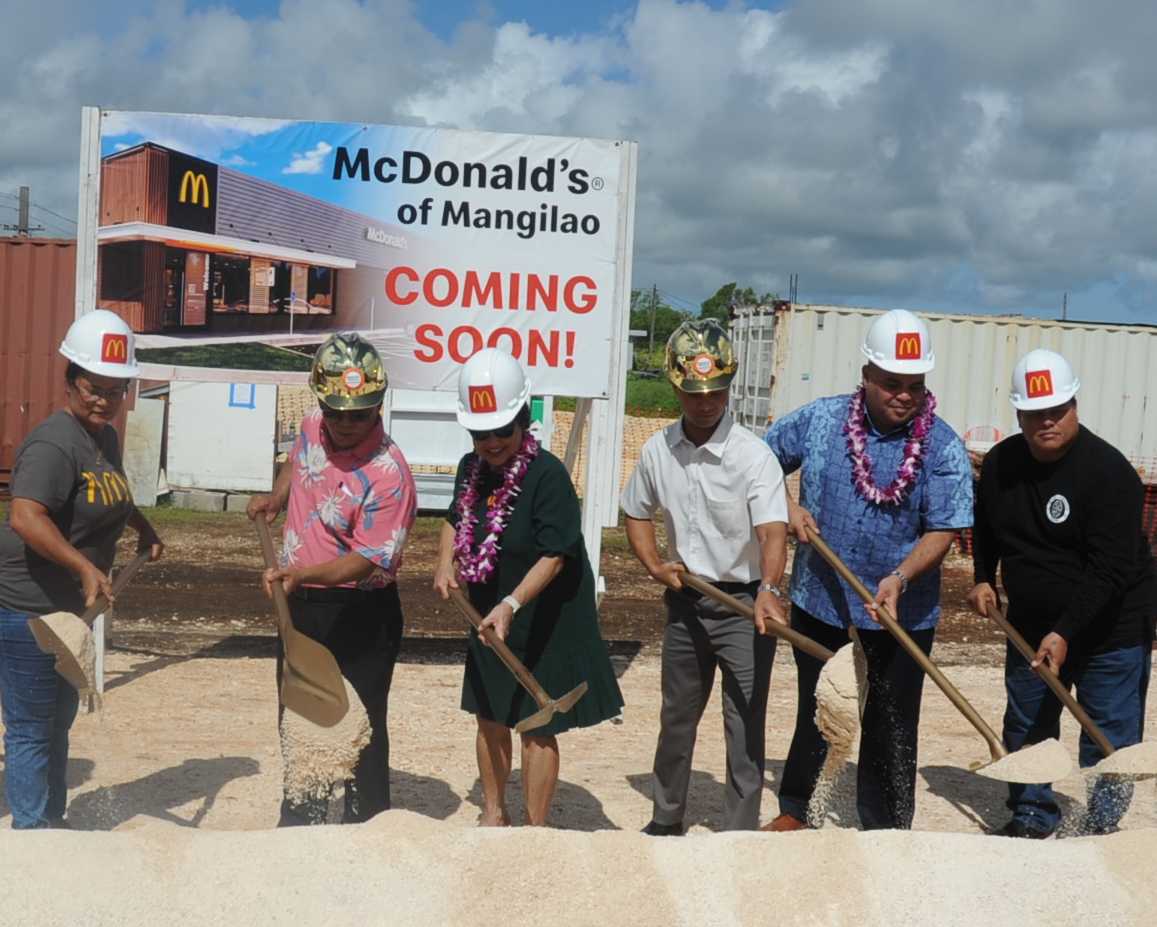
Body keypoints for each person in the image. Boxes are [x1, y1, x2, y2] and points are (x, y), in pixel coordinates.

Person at [763, 308, 973, 832]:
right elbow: (758, 459)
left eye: (914, 385)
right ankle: (798, 810)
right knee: (822, 705)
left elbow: (943, 529)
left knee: (892, 719)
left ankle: (886, 828)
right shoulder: (821, 420)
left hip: (902, 606)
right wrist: (786, 508)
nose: (903, 395)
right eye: (891, 383)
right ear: (867, 377)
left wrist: (901, 577)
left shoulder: (943, 445)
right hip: (821, 596)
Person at [0, 309, 164, 828]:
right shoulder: (52, 444)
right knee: (32, 726)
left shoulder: (102, 437)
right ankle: (33, 832)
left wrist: (140, 528)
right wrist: (84, 567)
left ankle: (49, 823)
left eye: (116, 389)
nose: (104, 399)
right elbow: (25, 516)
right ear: (70, 381)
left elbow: (110, 491)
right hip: (24, 607)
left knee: (57, 720)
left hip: (64, 610)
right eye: (93, 388)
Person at [970, 349, 1157, 838]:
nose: (1047, 421)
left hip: (1112, 627)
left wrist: (1067, 631)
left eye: (1058, 409)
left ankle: (1100, 827)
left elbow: (1111, 568)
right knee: (1028, 726)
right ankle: (1032, 816)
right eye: (1035, 412)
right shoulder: (1001, 464)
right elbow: (987, 526)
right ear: (1019, 413)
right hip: (1031, 623)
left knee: (1109, 733)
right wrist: (983, 576)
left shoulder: (1109, 473)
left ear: (1075, 405)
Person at [434, 347, 622, 827]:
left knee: (537, 726)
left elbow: (555, 555)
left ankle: (534, 829)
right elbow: (456, 520)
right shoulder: (469, 469)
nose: (491, 442)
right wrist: (443, 563)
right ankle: (493, 816)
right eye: (480, 432)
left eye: (502, 430)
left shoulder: (548, 476)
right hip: (488, 611)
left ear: (523, 419)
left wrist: (512, 603)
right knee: (490, 714)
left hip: (543, 615)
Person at [621, 319, 790, 835]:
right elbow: (635, 511)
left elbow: (773, 532)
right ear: (676, 386)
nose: (705, 403)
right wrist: (653, 565)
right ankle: (665, 819)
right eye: (695, 393)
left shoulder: (752, 455)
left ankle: (738, 831)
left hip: (744, 607)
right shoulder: (657, 451)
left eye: (716, 391)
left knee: (743, 723)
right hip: (687, 603)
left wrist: (768, 590)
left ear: (729, 386)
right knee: (676, 719)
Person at [247, 332, 418, 825]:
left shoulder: (390, 474)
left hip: (358, 612)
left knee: (358, 723)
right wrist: (277, 499)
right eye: (336, 411)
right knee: (301, 715)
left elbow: (368, 559)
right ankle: (302, 821)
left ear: (378, 404)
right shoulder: (311, 426)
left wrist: (302, 575)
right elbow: (297, 462)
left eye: (358, 414)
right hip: (300, 604)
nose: (345, 423)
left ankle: (365, 826)